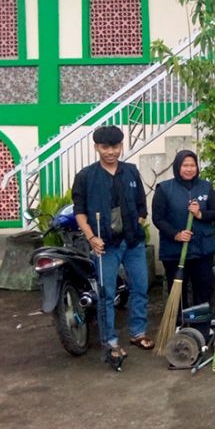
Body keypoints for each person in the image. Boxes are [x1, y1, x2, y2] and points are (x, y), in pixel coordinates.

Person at [72, 125, 153, 362]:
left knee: (140, 287)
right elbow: (80, 212)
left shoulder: (130, 171)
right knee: (106, 294)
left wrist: (136, 224)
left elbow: (141, 206)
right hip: (104, 245)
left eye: (115, 147)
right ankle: (110, 341)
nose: (111, 152)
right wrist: (91, 237)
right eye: (105, 147)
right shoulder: (86, 176)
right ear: (97, 147)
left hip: (133, 242)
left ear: (121, 146)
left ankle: (138, 332)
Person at [153, 150, 215, 311]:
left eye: (192, 165)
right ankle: (178, 325)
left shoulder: (206, 187)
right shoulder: (164, 189)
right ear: (178, 167)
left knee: (203, 289)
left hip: (202, 250)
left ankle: (202, 326)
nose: (189, 169)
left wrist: (199, 214)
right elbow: (158, 218)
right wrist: (176, 234)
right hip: (175, 252)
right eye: (185, 165)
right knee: (177, 293)